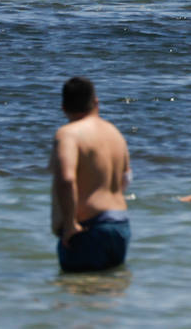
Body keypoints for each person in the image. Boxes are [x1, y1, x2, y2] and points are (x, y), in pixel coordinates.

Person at [50, 76, 132, 272]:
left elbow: (66, 179)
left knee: (75, 295)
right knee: (106, 295)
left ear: (63, 106)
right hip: (120, 225)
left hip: (89, 229)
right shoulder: (115, 133)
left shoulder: (68, 134)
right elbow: (125, 178)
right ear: (96, 103)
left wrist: (69, 224)